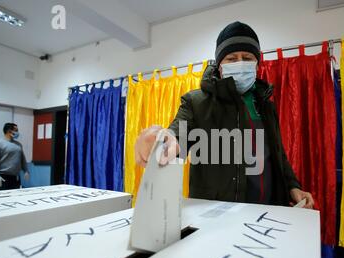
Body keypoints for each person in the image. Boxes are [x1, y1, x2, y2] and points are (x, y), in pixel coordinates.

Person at [135, 21, 314, 209]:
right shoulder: (196, 103)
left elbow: (278, 155)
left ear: (257, 64)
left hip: (268, 212)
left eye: (247, 57)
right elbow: (177, 135)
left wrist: (293, 186)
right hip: (218, 217)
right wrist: (162, 140)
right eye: (231, 58)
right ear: (220, 65)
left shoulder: (266, 106)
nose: (240, 63)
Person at [0, 123, 30, 190]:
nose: (17, 132)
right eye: (16, 130)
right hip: (2, 177)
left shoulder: (18, 145)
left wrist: (26, 171)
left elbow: (22, 159)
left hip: (15, 177)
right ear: (9, 131)